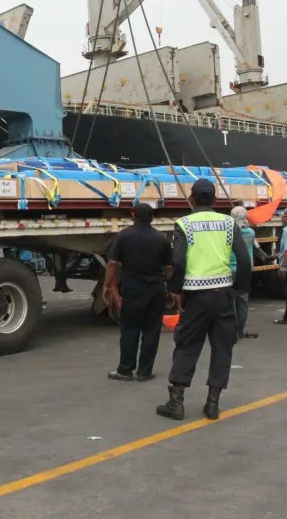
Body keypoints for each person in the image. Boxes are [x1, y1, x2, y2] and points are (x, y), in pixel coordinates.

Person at [156, 178, 249, 422]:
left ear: (192, 199)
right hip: (223, 295)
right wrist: (237, 289)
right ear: (215, 199)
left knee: (187, 345)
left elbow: (178, 261)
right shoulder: (229, 223)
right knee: (222, 347)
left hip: (195, 296)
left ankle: (176, 402)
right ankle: (212, 404)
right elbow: (244, 259)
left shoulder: (184, 224)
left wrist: (175, 290)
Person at [102, 202, 172, 382]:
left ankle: (125, 370)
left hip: (133, 290)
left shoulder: (123, 236)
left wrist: (107, 285)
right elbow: (168, 267)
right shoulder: (161, 238)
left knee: (129, 330)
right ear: (152, 218)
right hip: (156, 289)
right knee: (152, 331)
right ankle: (145, 371)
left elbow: (113, 263)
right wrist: (171, 289)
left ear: (133, 215)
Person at [230, 204, 259, 339]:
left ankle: (232, 329)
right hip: (246, 270)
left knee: (231, 300)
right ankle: (240, 329)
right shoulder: (251, 233)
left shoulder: (230, 232)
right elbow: (256, 247)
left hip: (231, 269)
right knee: (243, 301)